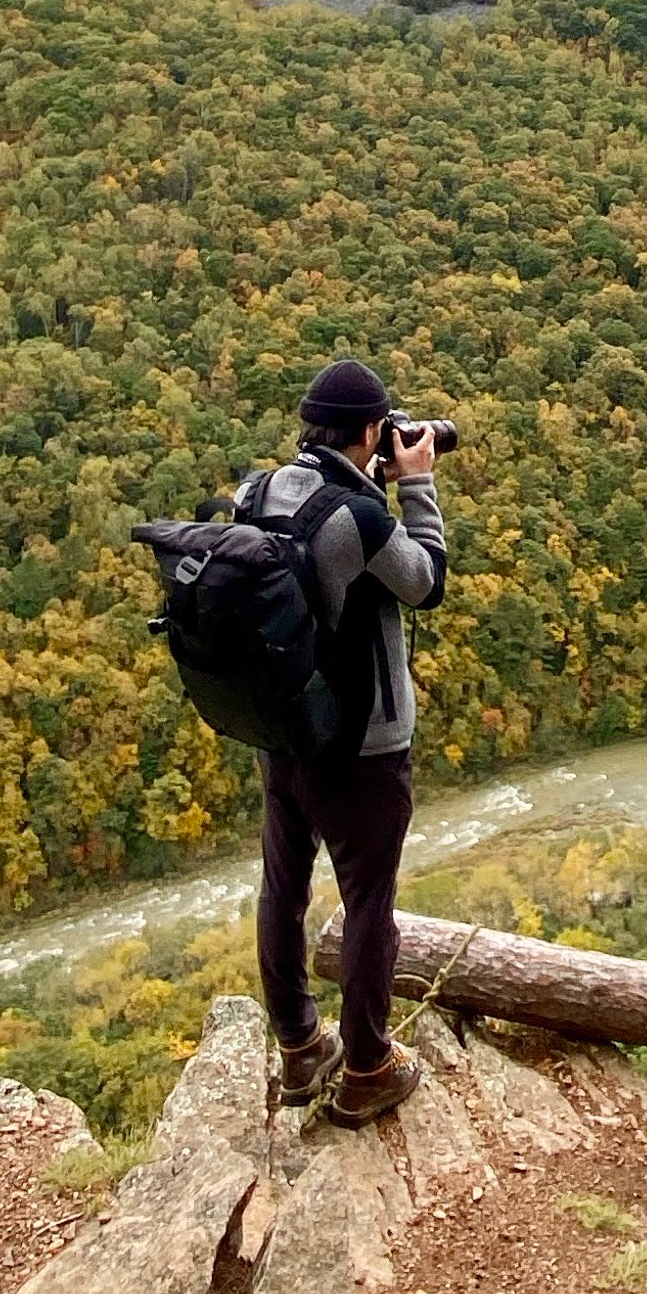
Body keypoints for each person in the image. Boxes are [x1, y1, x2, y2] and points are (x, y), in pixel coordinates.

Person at [233, 359, 448, 1125]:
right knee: (369, 907)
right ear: (370, 431)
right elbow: (425, 579)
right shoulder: (357, 516)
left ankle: (299, 1046)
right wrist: (415, 483)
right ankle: (366, 1065)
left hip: (283, 735)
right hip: (361, 751)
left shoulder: (255, 492)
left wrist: (372, 480)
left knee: (282, 889)